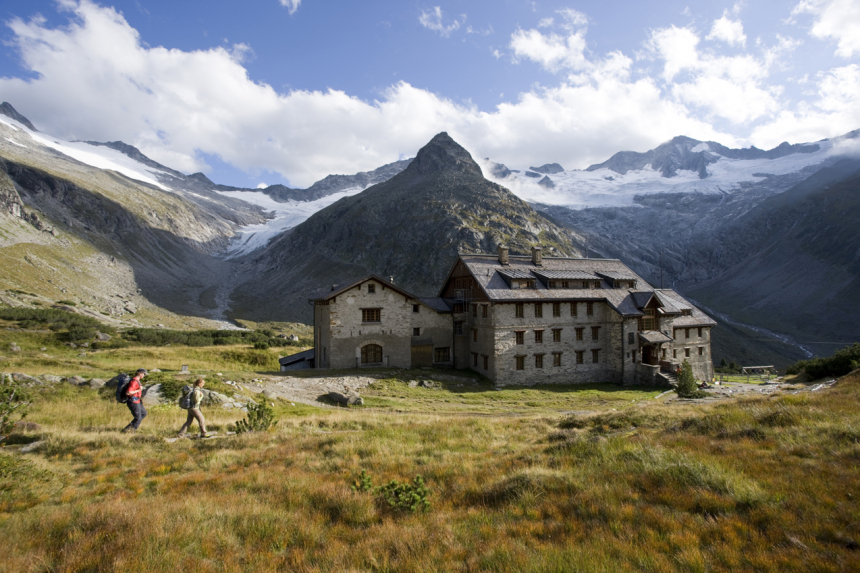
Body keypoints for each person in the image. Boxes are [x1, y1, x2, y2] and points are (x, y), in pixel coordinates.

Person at [122, 368, 148, 433]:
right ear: (140, 373)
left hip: (137, 400)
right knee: (138, 418)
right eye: (143, 374)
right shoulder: (134, 381)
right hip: (133, 401)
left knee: (144, 413)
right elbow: (128, 392)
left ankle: (128, 428)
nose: (144, 375)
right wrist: (139, 390)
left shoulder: (137, 380)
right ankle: (131, 431)